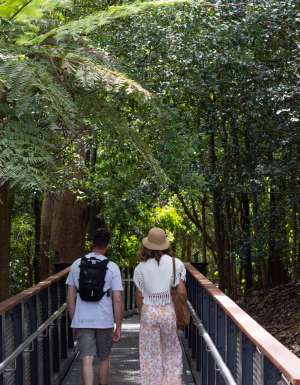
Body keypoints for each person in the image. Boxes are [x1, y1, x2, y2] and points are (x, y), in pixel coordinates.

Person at [66, 228, 123, 385]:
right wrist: (118, 325)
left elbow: (70, 297)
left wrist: (74, 321)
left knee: (86, 360)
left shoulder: (77, 264)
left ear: (92, 243)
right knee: (104, 358)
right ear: (107, 245)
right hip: (104, 320)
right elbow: (117, 299)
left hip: (83, 320)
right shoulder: (112, 267)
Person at [133, 227, 187, 385]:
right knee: (171, 350)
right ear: (165, 245)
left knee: (150, 354)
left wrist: (141, 312)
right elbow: (182, 292)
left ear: (147, 246)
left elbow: (139, 295)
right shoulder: (176, 264)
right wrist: (182, 307)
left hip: (149, 312)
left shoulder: (140, 268)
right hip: (168, 311)